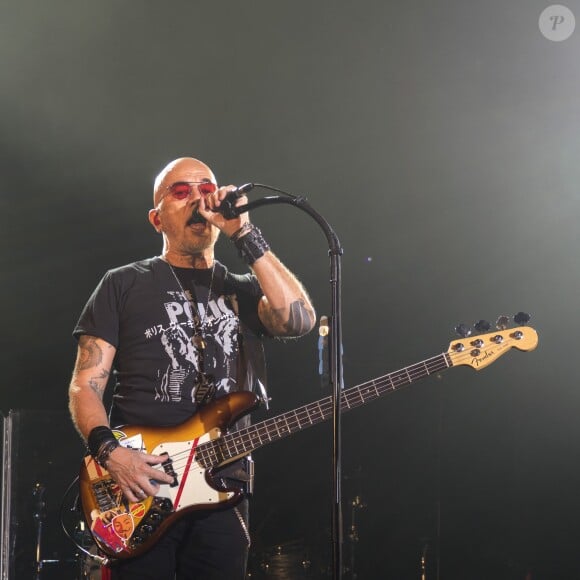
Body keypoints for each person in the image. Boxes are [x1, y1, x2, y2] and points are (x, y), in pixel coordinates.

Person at [68, 157, 316, 579]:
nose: (197, 199)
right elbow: (84, 387)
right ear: (157, 218)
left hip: (224, 487)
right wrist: (112, 454)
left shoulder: (242, 289)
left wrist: (244, 233)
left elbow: (299, 320)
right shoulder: (122, 284)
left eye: (206, 189)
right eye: (181, 191)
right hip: (142, 485)